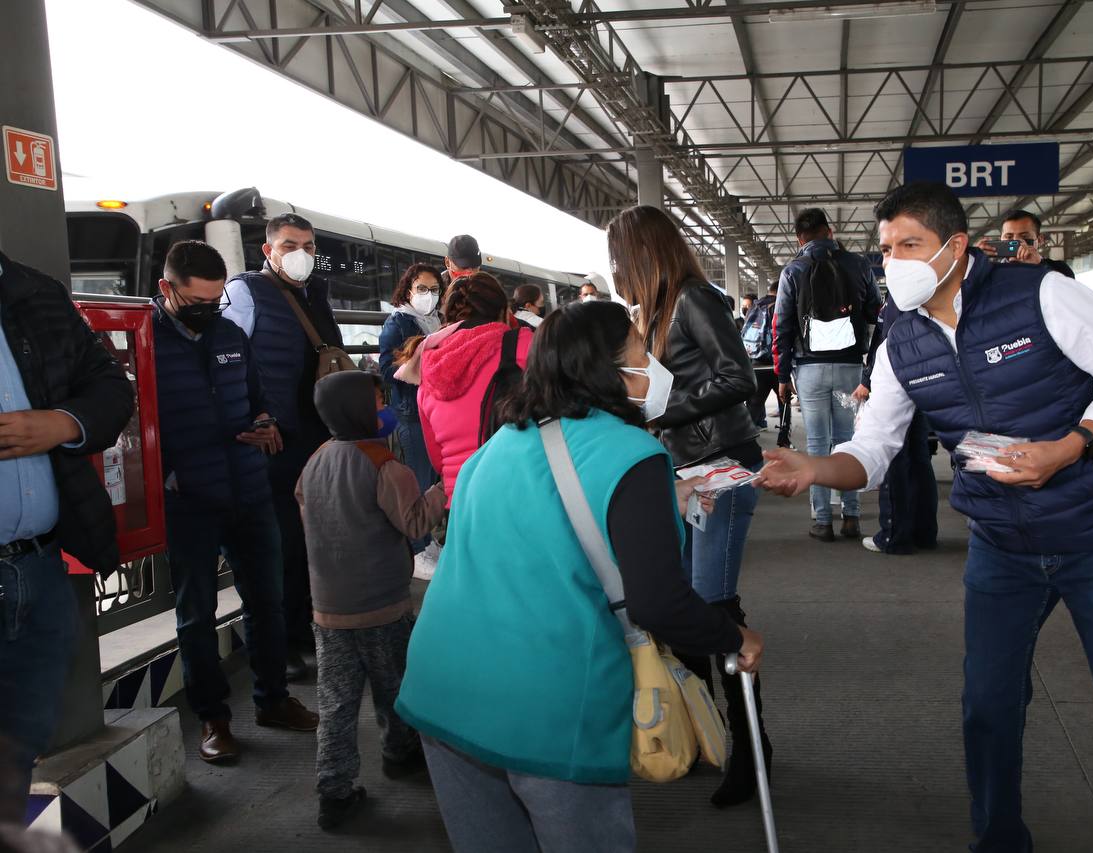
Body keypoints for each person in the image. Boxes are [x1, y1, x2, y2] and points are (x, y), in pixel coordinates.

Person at [759, 182, 1093, 853]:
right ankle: (998, 839)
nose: (892, 261)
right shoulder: (901, 342)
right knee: (987, 710)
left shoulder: (1040, 292)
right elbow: (872, 448)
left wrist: (1069, 446)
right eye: (885, 248)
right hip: (1000, 545)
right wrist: (815, 467)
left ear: (955, 247)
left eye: (909, 245)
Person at [395, 300, 764, 853]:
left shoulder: (494, 448)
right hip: (547, 708)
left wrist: (659, 501)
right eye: (641, 351)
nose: (653, 366)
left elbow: (541, 524)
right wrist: (735, 637)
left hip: (441, 690)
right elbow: (659, 602)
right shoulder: (633, 454)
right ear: (605, 368)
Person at [607, 204, 768, 809]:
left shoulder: (695, 298)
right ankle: (712, 733)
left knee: (714, 604)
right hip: (687, 469)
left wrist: (661, 414)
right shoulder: (655, 309)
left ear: (643, 251)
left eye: (620, 256)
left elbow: (738, 377)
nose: (616, 268)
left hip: (722, 464)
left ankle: (753, 753)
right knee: (691, 604)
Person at [151, 241, 318, 762]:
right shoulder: (145, 343)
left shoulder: (227, 334)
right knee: (195, 614)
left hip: (249, 488)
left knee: (266, 601)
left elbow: (257, 395)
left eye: (215, 299)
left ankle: (273, 700)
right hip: (190, 500)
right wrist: (171, 474)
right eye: (197, 300)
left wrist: (265, 422)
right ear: (167, 290)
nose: (207, 310)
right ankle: (214, 720)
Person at [0, 251, 133, 821]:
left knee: (17, 748)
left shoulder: (34, 293)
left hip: (40, 566)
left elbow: (110, 386)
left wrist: (65, 423)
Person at [296, 371, 447, 830]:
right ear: (359, 410)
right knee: (395, 686)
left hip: (328, 608)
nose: (384, 409)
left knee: (337, 703)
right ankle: (400, 753)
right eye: (378, 400)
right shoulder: (385, 466)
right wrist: (444, 487)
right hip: (383, 606)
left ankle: (334, 793)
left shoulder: (315, 460)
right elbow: (416, 524)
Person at [222, 212, 346, 681]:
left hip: (317, 439)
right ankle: (282, 648)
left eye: (310, 246)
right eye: (290, 245)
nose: (302, 254)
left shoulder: (316, 294)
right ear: (267, 251)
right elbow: (230, 362)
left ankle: (303, 631)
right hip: (273, 444)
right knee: (278, 548)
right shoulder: (245, 293)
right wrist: (254, 415)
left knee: (309, 543)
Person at [774, 207, 882, 542]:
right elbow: (876, 313)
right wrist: (870, 365)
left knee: (818, 443)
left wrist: (781, 375)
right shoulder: (860, 264)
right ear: (829, 231)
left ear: (799, 238)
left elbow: (781, 327)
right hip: (851, 366)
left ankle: (822, 521)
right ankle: (852, 517)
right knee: (849, 440)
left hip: (809, 369)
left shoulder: (793, 270)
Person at [417, 272, 532, 505]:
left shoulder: (426, 369)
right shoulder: (524, 346)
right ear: (503, 312)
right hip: (518, 491)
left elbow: (438, 460)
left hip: (460, 504)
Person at [856, 294, 938, 556]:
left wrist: (868, 380)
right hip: (926, 378)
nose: (889, 259)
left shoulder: (902, 295)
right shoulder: (932, 286)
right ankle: (924, 532)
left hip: (900, 379)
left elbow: (888, 341)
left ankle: (894, 535)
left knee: (895, 458)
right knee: (919, 456)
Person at [379, 263, 443, 566]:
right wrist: (419, 369)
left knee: (430, 477)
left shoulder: (437, 321)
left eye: (434, 289)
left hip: (433, 412)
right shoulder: (398, 324)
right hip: (410, 412)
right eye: (422, 288)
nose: (428, 295)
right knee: (416, 480)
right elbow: (386, 370)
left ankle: (428, 541)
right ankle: (417, 550)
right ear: (408, 290)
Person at [979, 209, 1075, 278]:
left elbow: (1067, 296)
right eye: (1009, 237)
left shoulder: (1060, 269)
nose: (1016, 241)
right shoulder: (990, 272)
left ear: (1040, 239)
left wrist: (1039, 266)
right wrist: (973, 262)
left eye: (1024, 237)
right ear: (1001, 239)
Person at [741, 283, 778, 429]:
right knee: (784, 400)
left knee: (754, 402)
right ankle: (784, 439)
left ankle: (744, 435)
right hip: (775, 360)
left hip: (756, 359)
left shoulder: (755, 307)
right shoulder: (778, 305)